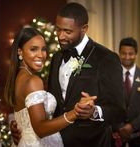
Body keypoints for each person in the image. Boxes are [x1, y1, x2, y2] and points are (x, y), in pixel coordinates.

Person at [11, 3, 126, 147]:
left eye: (67, 31)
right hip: (56, 141)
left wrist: (94, 112)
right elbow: (49, 105)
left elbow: (120, 111)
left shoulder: (106, 58)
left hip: (92, 142)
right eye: (58, 29)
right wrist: (23, 125)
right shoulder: (57, 57)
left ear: (84, 29)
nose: (60, 36)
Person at [4, 27, 96, 147]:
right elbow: (40, 129)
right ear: (20, 52)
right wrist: (75, 113)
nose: (41, 55)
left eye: (43, 49)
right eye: (33, 49)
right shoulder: (33, 81)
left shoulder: (18, 77)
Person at [112, 37, 140, 147]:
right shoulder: (111, 76)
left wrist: (132, 126)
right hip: (115, 133)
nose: (127, 57)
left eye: (130, 54)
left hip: (139, 133)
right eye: (123, 53)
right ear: (119, 53)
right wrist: (119, 127)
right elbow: (107, 103)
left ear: (136, 54)